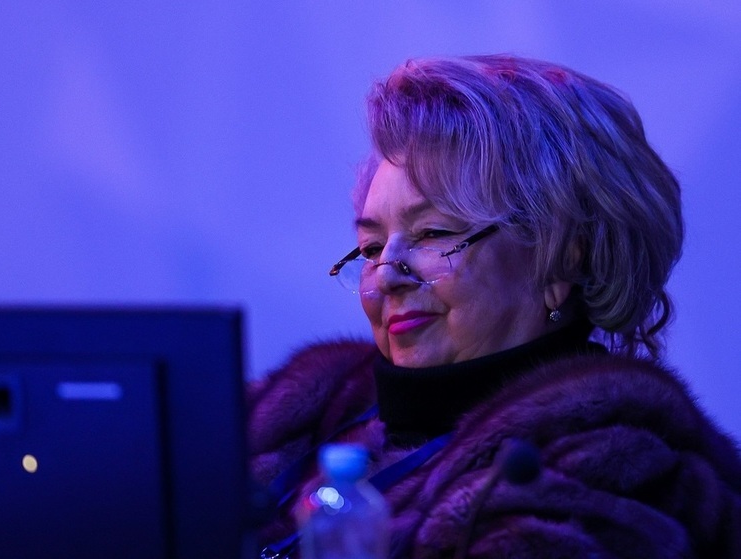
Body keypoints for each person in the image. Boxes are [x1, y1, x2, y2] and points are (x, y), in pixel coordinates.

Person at [249, 55, 741, 558]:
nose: (387, 275)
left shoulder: (617, 469)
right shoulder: (313, 413)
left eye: (433, 233)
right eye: (372, 247)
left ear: (561, 260)